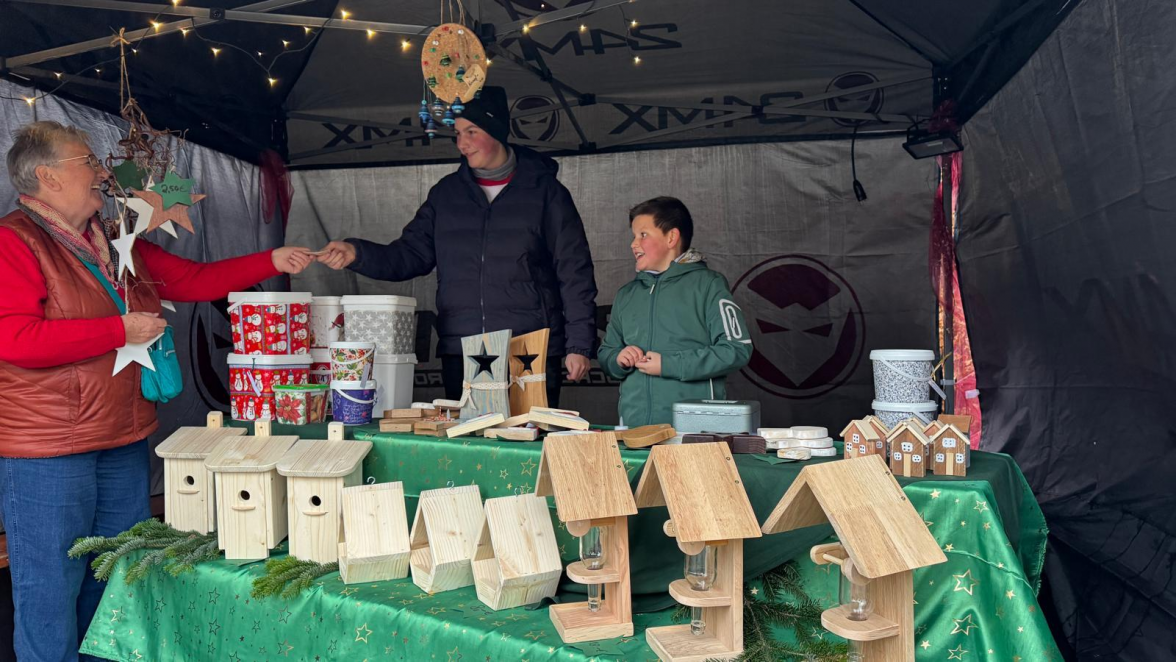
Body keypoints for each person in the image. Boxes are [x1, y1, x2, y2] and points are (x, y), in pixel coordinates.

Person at [0, 120, 314, 661]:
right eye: (87, 162)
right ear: (47, 176)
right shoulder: (13, 241)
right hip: (47, 449)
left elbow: (191, 281)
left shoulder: (112, 241)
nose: (102, 172)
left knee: (118, 577)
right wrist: (119, 331)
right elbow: (15, 339)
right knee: (49, 588)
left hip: (121, 435)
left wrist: (271, 260)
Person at [316, 87, 596, 407]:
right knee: (470, 447)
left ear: (496, 132)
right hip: (463, 348)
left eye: (471, 132)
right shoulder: (446, 195)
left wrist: (579, 345)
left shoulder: (547, 193)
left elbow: (574, 271)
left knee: (528, 443)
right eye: (458, 133)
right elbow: (410, 256)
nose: (462, 143)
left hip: (528, 347)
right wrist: (357, 253)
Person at [598, 196, 753, 426]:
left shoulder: (708, 285)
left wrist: (668, 365)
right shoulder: (627, 294)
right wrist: (618, 358)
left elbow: (736, 349)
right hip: (634, 431)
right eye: (633, 236)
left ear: (671, 237)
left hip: (694, 433)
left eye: (643, 235)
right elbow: (606, 352)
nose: (633, 244)